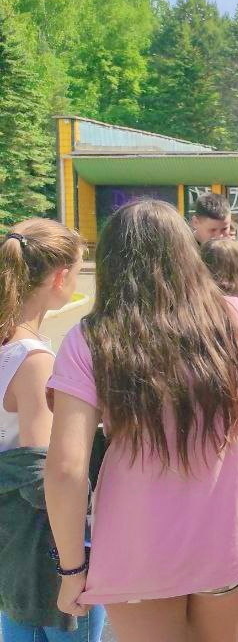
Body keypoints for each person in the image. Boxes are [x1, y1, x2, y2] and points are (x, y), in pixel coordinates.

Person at [43, 200, 238, 642]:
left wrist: (71, 567)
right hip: (229, 538)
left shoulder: (92, 337)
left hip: (135, 548)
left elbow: (67, 468)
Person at [0, 220, 105, 642]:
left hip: (9, 539)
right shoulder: (34, 358)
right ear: (61, 277)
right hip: (43, 540)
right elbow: (42, 469)